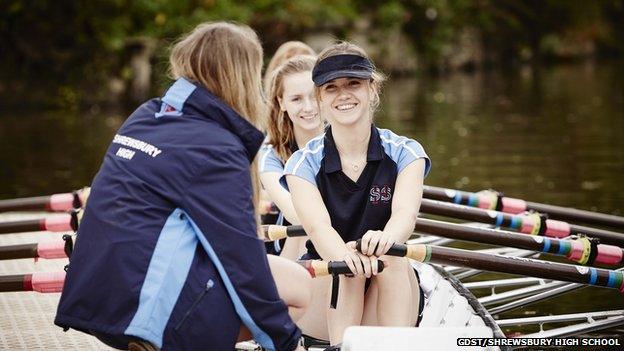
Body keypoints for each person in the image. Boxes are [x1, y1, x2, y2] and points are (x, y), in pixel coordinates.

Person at [54, 22, 309, 351]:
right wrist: (286, 340)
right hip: (142, 314)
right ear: (244, 76)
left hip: (96, 299)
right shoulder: (217, 148)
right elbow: (241, 259)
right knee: (300, 288)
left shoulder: (145, 115)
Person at [284, 41, 431, 345]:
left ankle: (396, 345)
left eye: (353, 83)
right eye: (331, 88)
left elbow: (405, 215)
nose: (343, 94)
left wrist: (385, 240)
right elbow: (318, 228)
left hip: (388, 282)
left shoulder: (407, 153)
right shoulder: (301, 164)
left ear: (372, 90)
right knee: (348, 264)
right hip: (327, 293)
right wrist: (347, 257)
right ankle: (341, 343)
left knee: (393, 256)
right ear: (319, 99)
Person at [260, 55, 325, 260]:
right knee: (304, 224)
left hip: (342, 243)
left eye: (314, 96)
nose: (308, 107)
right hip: (290, 252)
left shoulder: (349, 143)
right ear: (282, 102)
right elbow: (294, 212)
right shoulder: (270, 156)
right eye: (296, 99)